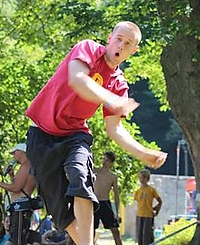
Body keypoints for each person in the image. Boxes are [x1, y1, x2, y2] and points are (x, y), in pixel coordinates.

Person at [25, 21, 168, 245]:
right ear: (110, 38)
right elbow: (78, 80)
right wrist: (111, 99)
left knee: (80, 176)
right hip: (41, 134)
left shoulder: (118, 83)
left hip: (75, 134)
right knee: (59, 209)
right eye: (119, 38)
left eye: (128, 43)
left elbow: (115, 129)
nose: (121, 45)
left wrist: (142, 152)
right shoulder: (89, 49)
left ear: (133, 51)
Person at [0, 143, 40, 245]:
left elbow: (16, 188)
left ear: (21, 152)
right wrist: (12, 176)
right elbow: (19, 186)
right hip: (19, 206)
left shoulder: (26, 165)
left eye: (14, 153)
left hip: (20, 207)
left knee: (18, 239)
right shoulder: (28, 165)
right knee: (15, 237)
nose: (13, 156)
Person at [93, 152, 122, 245]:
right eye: (103, 159)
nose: (104, 162)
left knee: (115, 231)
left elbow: (116, 195)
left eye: (107, 160)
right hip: (94, 203)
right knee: (91, 231)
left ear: (111, 163)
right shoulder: (95, 171)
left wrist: (117, 212)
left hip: (105, 203)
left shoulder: (113, 176)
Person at [134, 169, 162, 245]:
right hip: (139, 215)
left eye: (143, 177)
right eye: (140, 177)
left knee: (147, 236)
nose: (141, 179)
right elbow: (139, 202)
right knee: (139, 235)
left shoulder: (151, 190)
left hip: (148, 215)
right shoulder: (138, 191)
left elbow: (160, 201)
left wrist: (156, 210)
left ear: (147, 179)